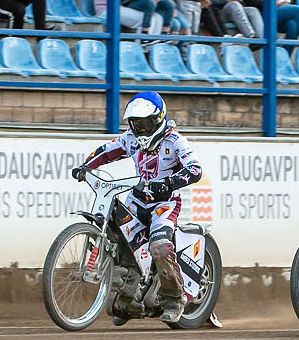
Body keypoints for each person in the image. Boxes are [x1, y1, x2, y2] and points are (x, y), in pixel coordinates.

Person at [74, 90, 205, 326]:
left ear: (159, 119)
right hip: (136, 200)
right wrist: (85, 166)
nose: (141, 130)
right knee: (119, 238)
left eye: (146, 124)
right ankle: (129, 294)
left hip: (164, 204)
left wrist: (169, 182)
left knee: (159, 247)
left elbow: (195, 170)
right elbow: (106, 151)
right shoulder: (130, 139)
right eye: (136, 124)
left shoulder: (175, 141)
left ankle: (175, 298)